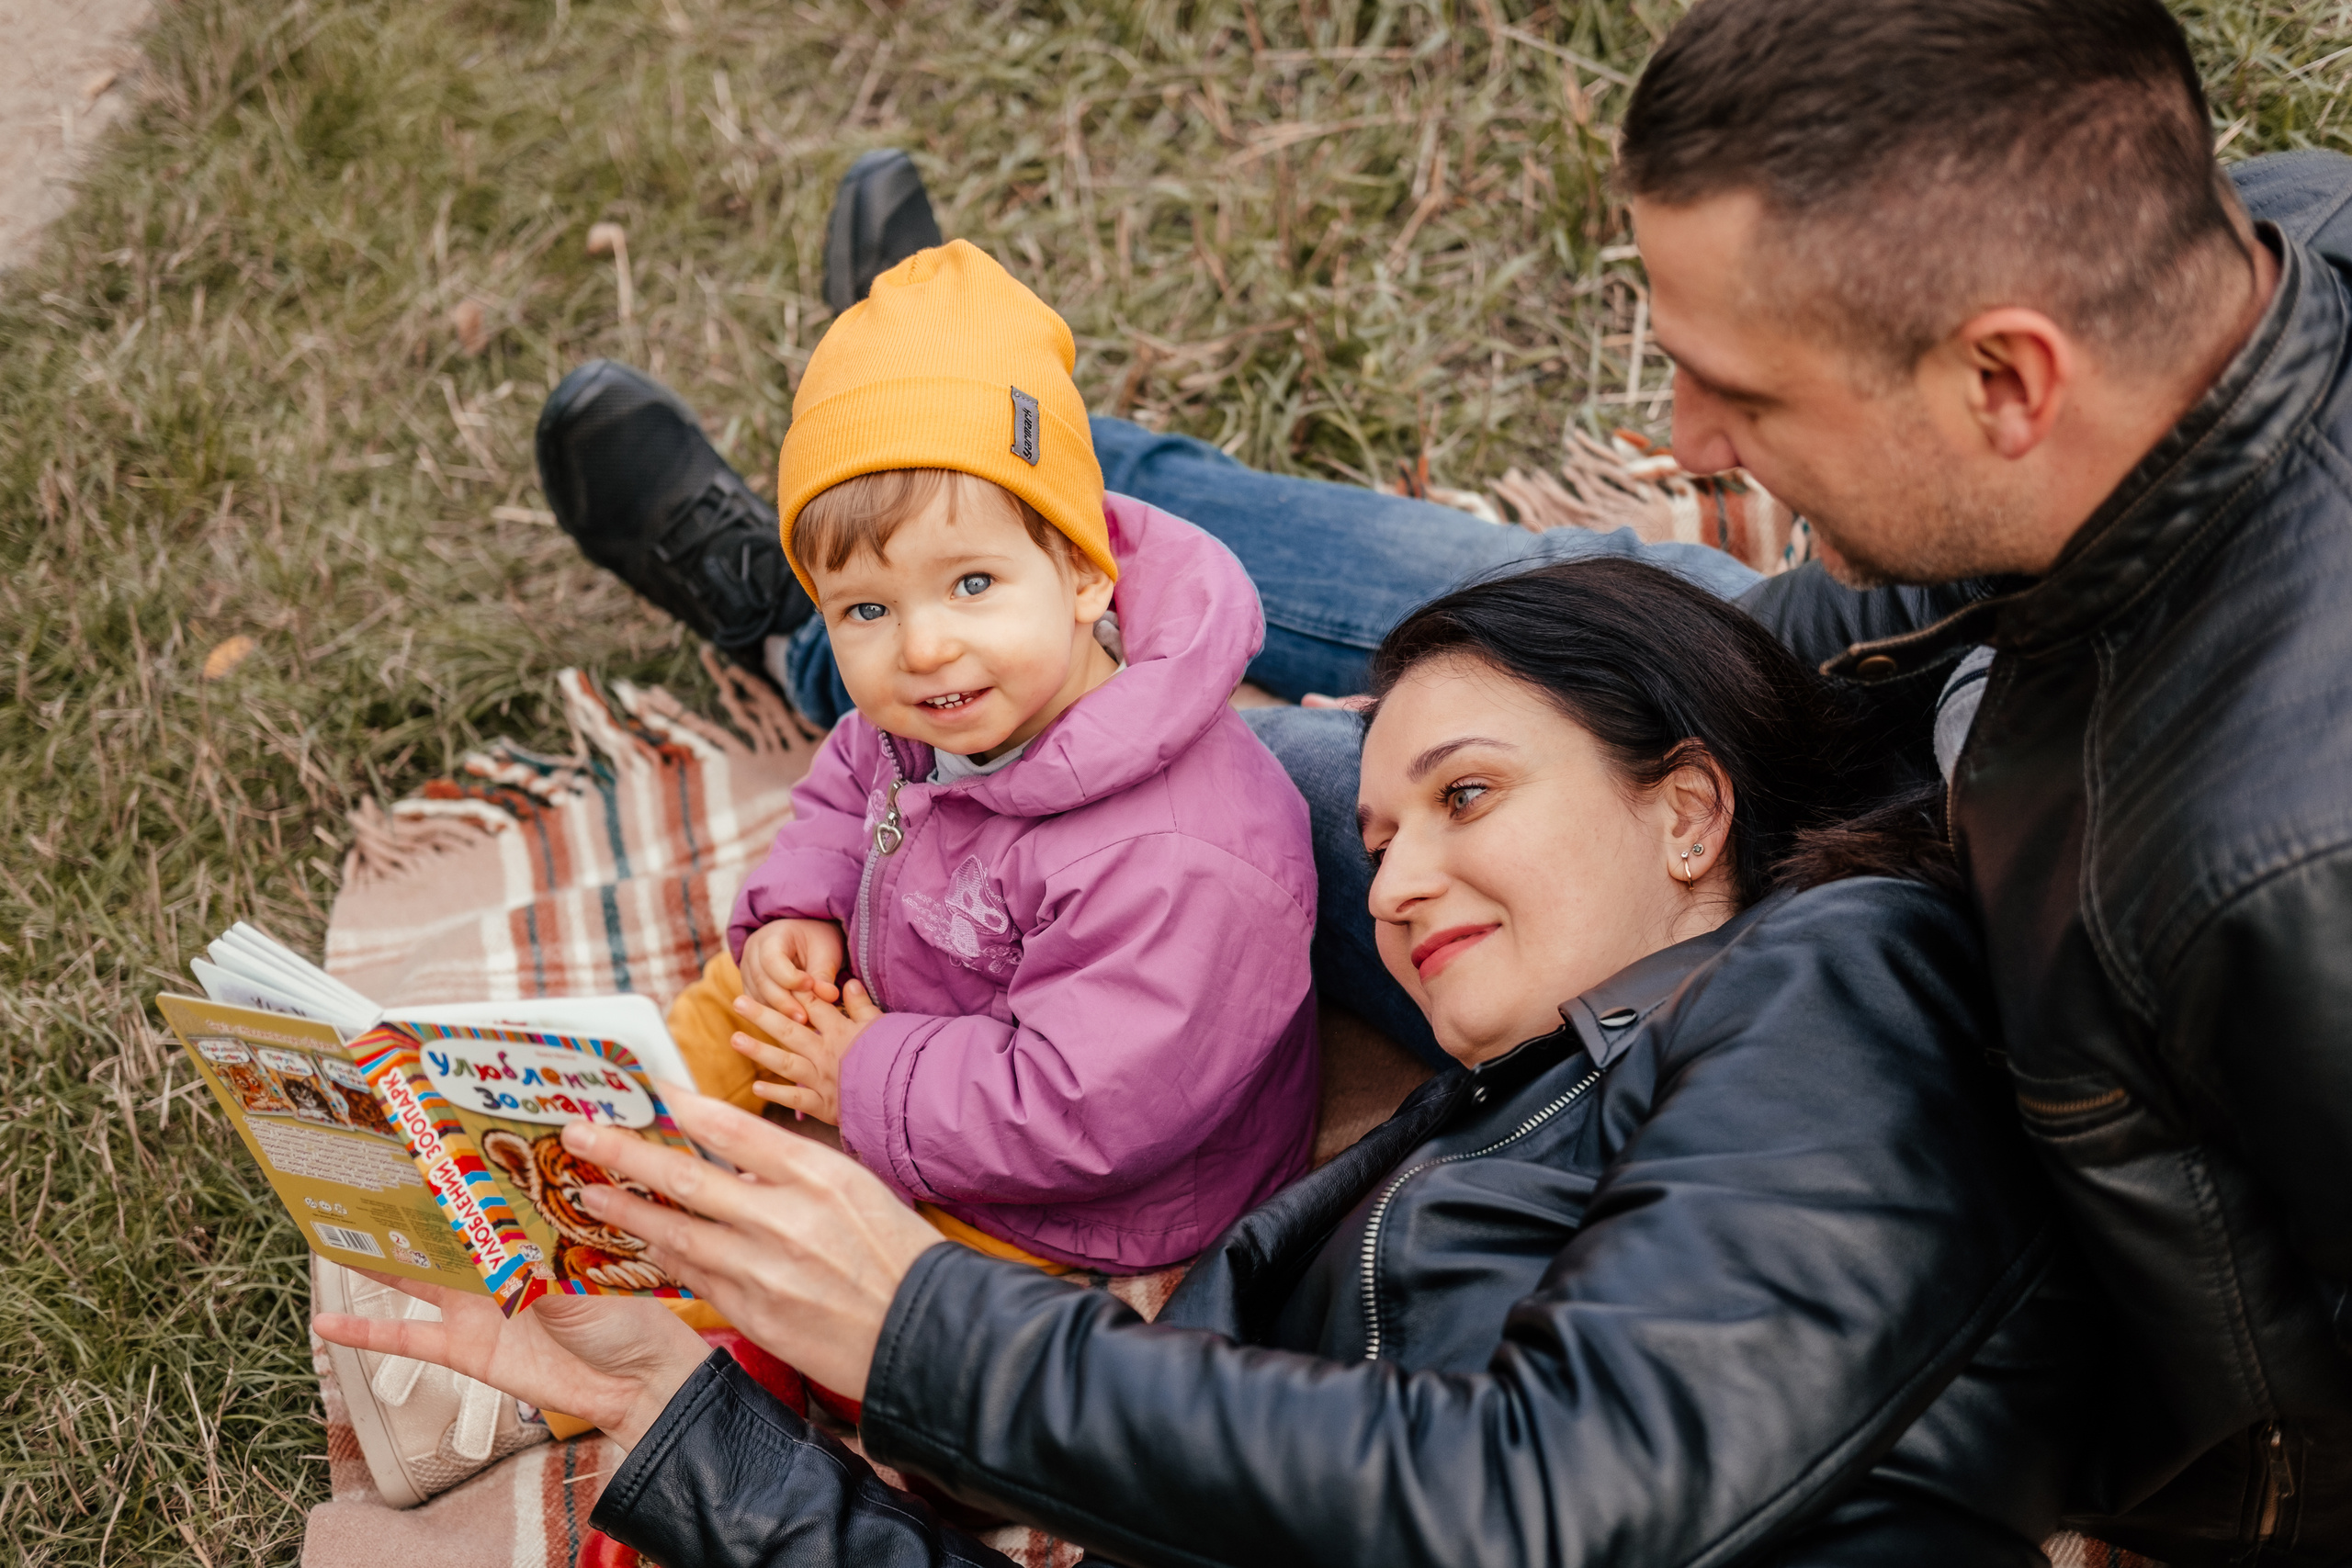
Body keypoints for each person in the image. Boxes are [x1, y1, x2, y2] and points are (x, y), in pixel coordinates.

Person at [541, 1, 2352, 1555]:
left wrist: (912, 1336)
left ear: (2003, 381)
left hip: (1940, 978)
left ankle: (872, 578)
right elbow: (1811, 614)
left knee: (1202, 785)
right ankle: (974, 463)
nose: (1679, 441)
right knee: (1502, 640)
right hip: (1904, 739)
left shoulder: (2262, 872)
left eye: (1739, 397)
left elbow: (1571, 1480)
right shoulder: (2264, 254)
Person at [318, 558, 2091, 1565]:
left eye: (1466, 796)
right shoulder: (1463, 1134)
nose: (1392, 880)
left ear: (1692, 804)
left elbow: (1566, 1503)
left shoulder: (1849, 969)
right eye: (1382, 833)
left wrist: (921, 1319)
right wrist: (670, 1421)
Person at [654, 239, 1321, 1279]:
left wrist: (860, 1080)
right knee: (737, 992)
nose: (923, 648)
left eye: (971, 585)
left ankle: (656, 1318)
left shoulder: (1178, 854)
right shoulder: (940, 711)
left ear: (1083, 574)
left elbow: (1087, 1107)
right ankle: (592, 1124)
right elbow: (846, 788)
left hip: (1076, 1193)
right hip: (929, 1011)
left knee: (819, 1272)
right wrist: (803, 911)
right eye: (867, 609)